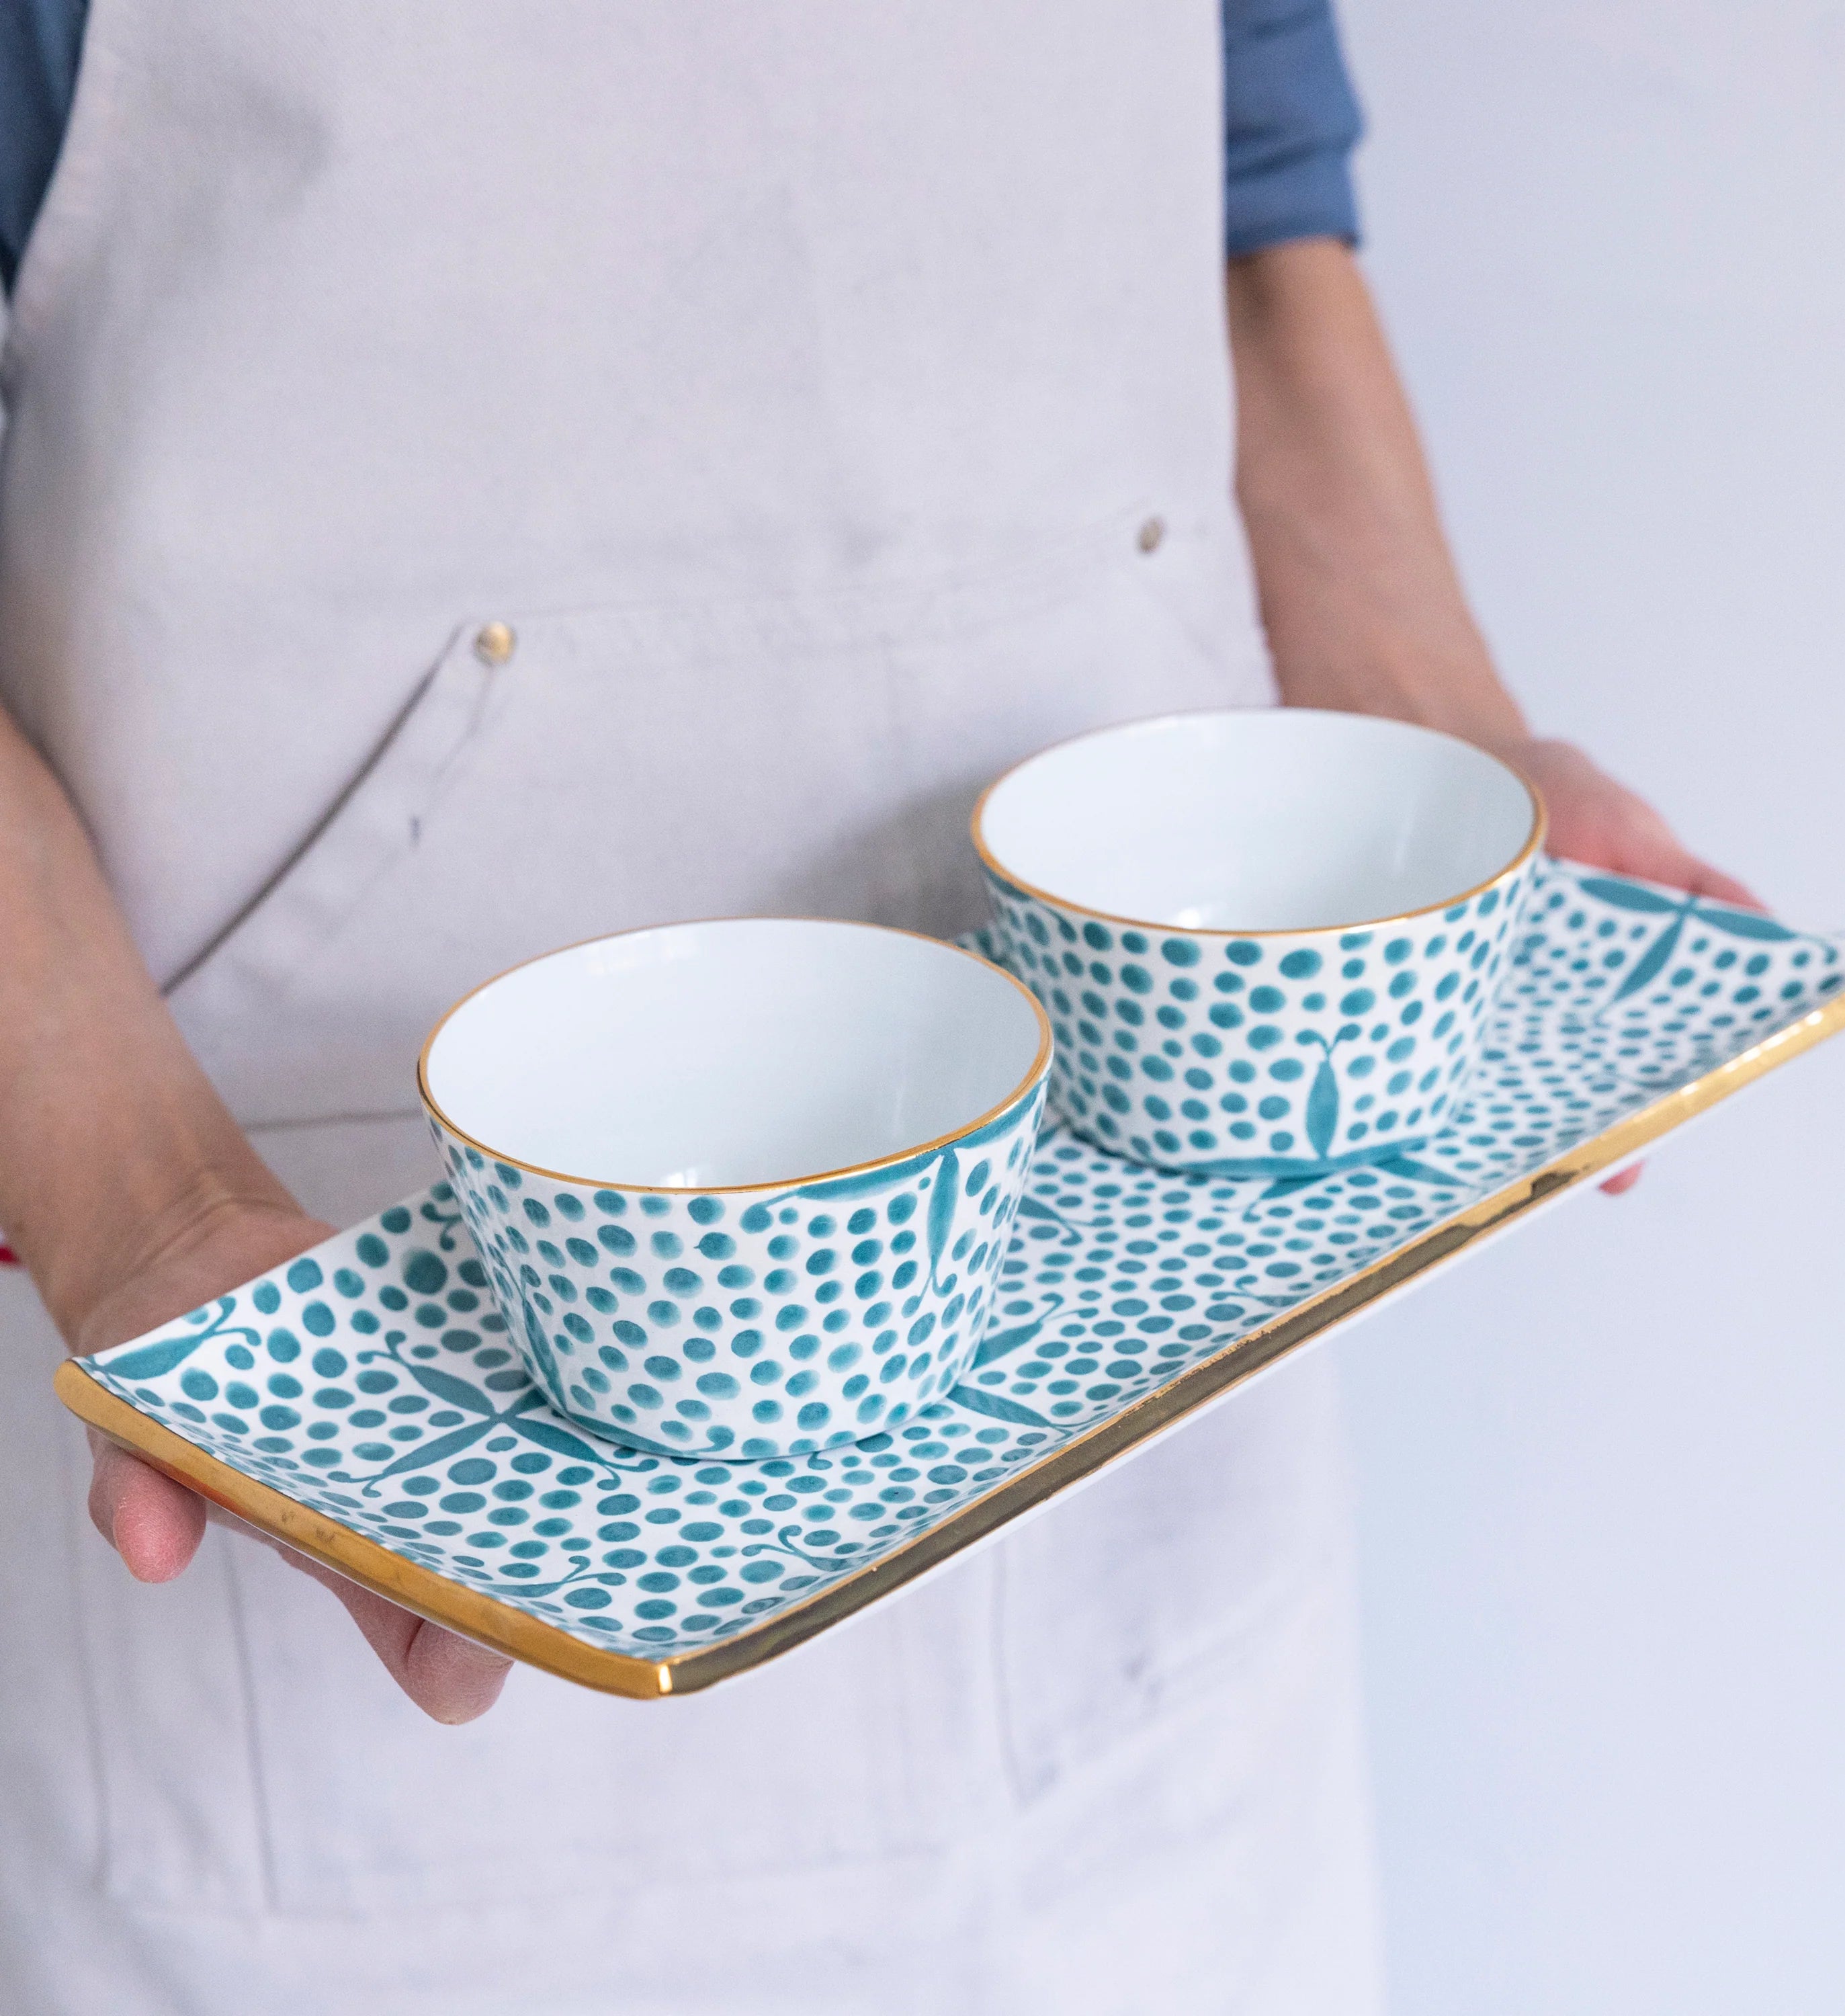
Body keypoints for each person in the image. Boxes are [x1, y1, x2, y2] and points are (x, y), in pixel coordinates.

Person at [0, 3, 1752, 2011]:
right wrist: (140, 1207)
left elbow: (1256, 209)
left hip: (1153, 1475)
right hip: (364, 1430)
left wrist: (1442, 779)